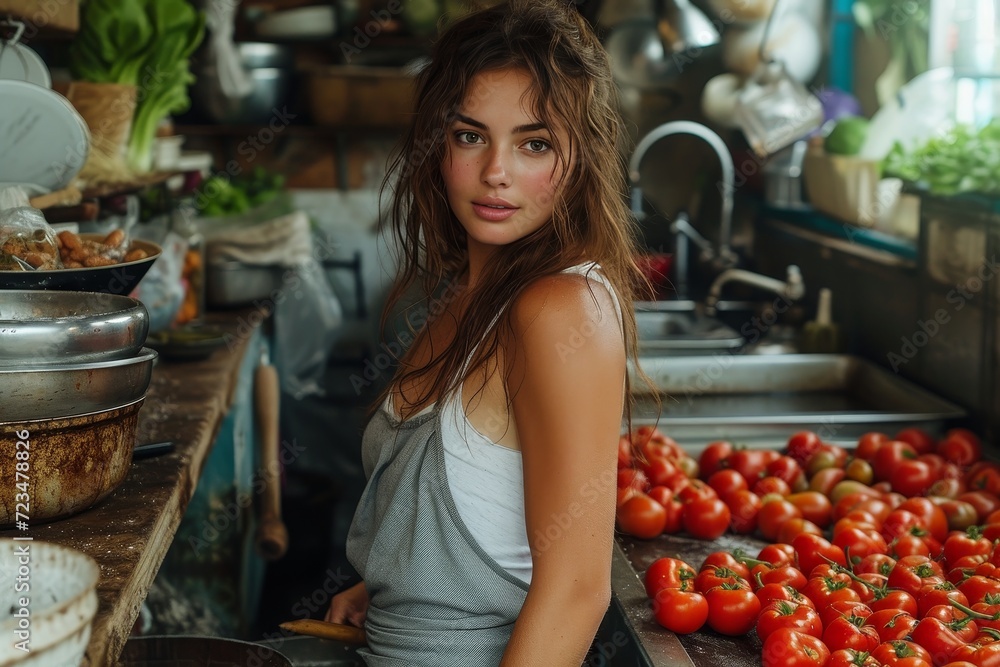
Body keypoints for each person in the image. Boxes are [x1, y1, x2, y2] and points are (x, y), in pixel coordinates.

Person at [325, 0, 649, 663]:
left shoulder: (561, 309)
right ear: (438, 143)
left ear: (579, 158)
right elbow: (480, 499)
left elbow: (576, 590)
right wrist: (400, 582)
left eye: (534, 143)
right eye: (471, 135)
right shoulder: (467, 295)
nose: (495, 171)